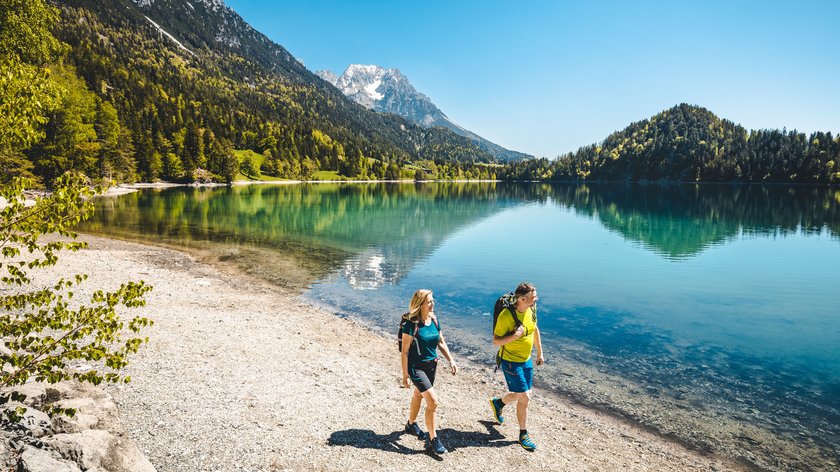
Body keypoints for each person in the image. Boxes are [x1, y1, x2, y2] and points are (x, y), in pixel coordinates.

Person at [400, 289, 458, 454]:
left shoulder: (434, 320)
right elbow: (404, 352)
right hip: (416, 368)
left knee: (419, 395)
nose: (433, 303)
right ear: (420, 304)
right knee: (433, 402)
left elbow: (441, 342)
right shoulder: (411, 324)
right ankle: (433, 439)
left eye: (433, 300)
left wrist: (451, 360)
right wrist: (405, 376)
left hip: (432, 366)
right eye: (429, 301)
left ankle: (411, 424)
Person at [489, 282, 544, 451]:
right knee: (525, 396)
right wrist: (515, 335)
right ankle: (523, 434)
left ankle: (498, 403)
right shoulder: (506, 316)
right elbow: (496, 341)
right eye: (533, 297)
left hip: (526, 360)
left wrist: (539, 352)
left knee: (524, 395)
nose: (536, 299)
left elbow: (534, 329)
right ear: (522, 299)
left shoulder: (531, 309)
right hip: (511, 361)